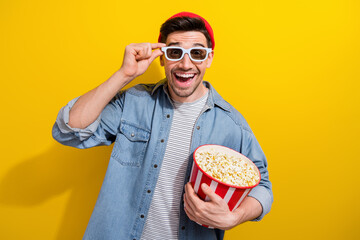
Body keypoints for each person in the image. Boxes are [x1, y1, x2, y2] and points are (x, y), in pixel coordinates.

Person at [52, 12, 273, 240]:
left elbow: (263, 187)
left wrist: (234, 217)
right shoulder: (134, 102)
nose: (186, 64)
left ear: (209, 58)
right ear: (162, 57)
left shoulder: (231, 125)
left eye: (197, 53)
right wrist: (123, 74)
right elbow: (69, 131)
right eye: (175, 52)